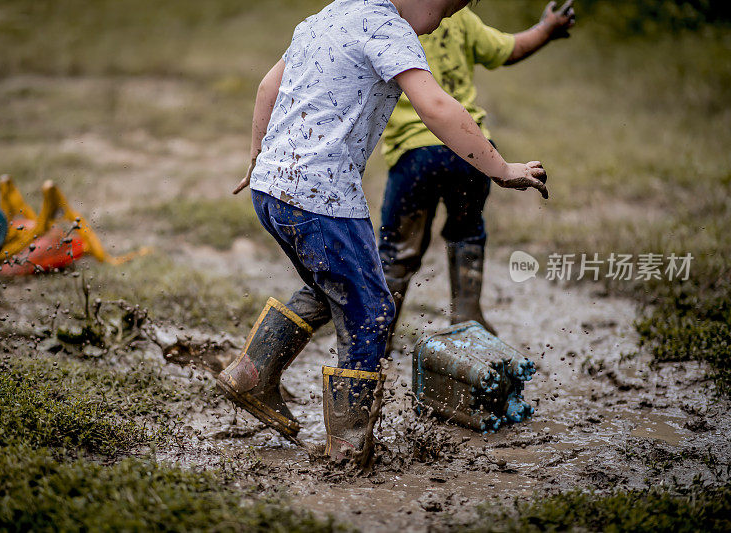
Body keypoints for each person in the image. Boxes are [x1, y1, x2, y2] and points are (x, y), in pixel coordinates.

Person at [220, 0, 548, 462]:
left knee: (328, 287)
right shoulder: (390, 29)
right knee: (372, 310)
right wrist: (499, 168)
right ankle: (349, 446)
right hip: (323, 201)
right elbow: (435, 106)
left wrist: (258, 156)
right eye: (452, 4)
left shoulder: (329, 14)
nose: (452, 15)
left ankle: (252, 372)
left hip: (273, 189)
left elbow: (267, 86)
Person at [379, 1, 575, 352]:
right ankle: (467, 322)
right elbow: (508, 49)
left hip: (414, 154)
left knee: (398, 251)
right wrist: (546, 28)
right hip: (471, 151)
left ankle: (377, 337)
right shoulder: (461, 18)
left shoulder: (388, 20)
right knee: (467, 231)